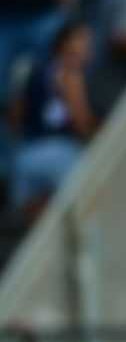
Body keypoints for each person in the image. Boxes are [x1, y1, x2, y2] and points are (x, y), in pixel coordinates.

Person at [10, 18, 96, 221]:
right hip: (60, 153)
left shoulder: (36, 71)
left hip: (27, 154)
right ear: (65, 44)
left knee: (38, 234)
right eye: (83, 41)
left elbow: (14, 116)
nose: (88, 47)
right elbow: (80, 120)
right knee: (79, 222)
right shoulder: (70, 73)